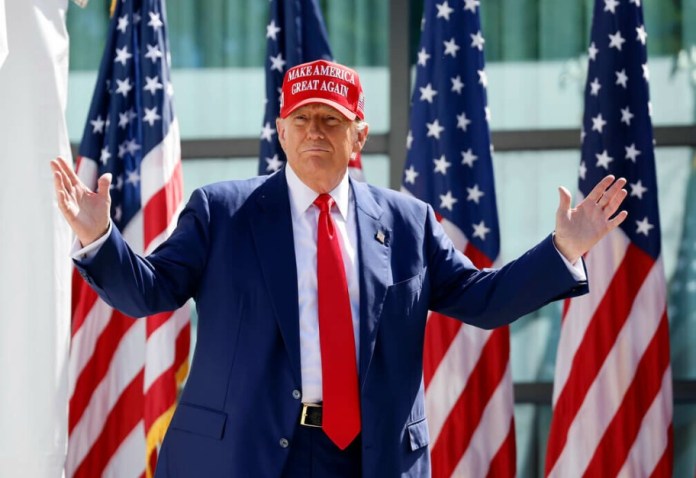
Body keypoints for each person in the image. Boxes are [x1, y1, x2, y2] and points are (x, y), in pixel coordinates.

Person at [51, 59, 628, 478]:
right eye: (301, 119)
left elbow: (483, 299)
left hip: (367, 457)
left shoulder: (408, 222)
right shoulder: (222, 212)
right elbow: (149, 292)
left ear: (359, 135)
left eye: (330, 119)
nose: (314, 132)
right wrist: (98, 238)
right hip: (243, 454)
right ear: (280, 131)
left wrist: (563, 248)